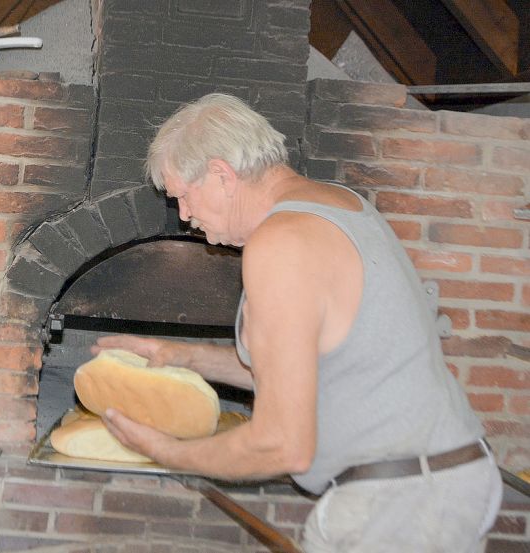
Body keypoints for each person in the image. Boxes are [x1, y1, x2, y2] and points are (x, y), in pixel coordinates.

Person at [92, 93, 502, 552]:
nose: (185, 216)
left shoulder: (282, 243)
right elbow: (306, 366)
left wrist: (162, 451)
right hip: (436, 486)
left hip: (402, 506)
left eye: (183, 196)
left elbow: (283, 444)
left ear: (221, 175)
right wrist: (180, 356)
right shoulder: (338, 205)